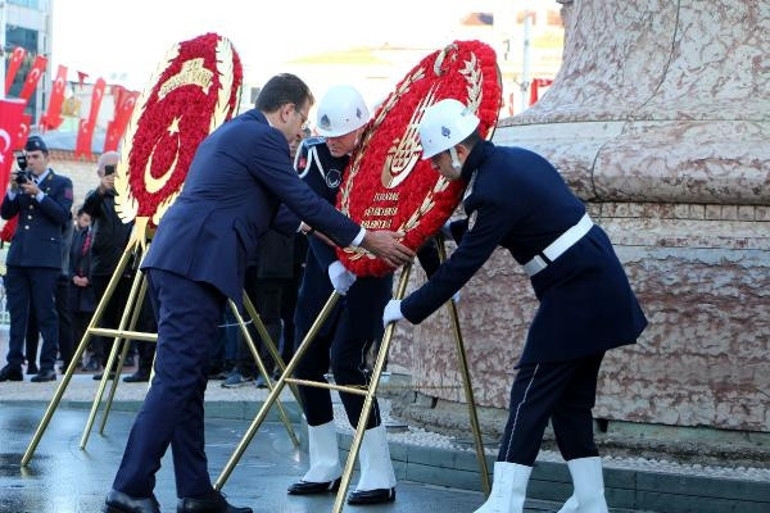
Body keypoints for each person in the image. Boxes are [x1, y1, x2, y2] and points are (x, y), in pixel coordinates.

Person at [103, 73, 414, 513]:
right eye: (302, 121)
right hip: (193, 266)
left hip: (184, 264)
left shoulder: (237, 135)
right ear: (285, 111)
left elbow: (287, 216)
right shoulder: (261, 138)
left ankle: (195, 493)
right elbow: (301, 201)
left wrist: (329, 236)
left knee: (188, 381)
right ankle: (130, 487)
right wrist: (366, 238)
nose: (303, 133)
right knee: (176, 380)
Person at [382, 99, 648, 513]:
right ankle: (591, 500)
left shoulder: (492, 188)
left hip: (577, 291)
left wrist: (407, 308)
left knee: (531, 389)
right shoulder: (511, 162)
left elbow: (466, 263)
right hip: (593, 281)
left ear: (460, 151)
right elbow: (494, 225)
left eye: (436, 160)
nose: (434, 168)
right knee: (570, 400)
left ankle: (506, 501)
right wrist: (439, 230)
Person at [282, 84, 401, 505]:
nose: (334, 142)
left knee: (347, 363)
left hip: (369, 272)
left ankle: (377, 471)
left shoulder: (383, 155)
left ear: (361, 127)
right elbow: (309, 214)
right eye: (328, 134)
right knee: (306, 356)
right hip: (325, 270)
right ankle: (324, 463)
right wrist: (332, 263)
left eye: (342, 135)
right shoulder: (314, 157)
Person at [0, 135, 73, 383]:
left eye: (35, 157)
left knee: (45, 313)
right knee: (18, 312)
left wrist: (39, 194)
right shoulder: (22, 182)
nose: (31, 162)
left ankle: (47, 365)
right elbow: (6, 212)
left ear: (47, 158)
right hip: (19, 257)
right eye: (28, 157)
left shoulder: (61, 183)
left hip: (44, 259)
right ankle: (13, 363)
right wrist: (11, 190)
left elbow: (62, 215)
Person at [69, 207, 96, 360]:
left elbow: (98, 260)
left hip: (90, 288)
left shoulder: (96, 237)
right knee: (74, 326)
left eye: (90, 221)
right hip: (75, 287)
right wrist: (73, 276)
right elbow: (70, 257)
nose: (87, 224)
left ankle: (93, 356)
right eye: (85, 220)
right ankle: (75, 357)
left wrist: (89, 278)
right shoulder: (77, 236)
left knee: (90, 324)